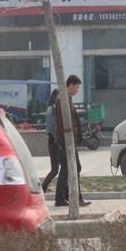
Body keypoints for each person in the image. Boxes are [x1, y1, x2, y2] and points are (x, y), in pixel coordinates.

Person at [54, 75, 90, 207]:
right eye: (77, 87)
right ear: (71, 85)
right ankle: (75, 197)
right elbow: (63, 123)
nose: (77, 90)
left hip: (68, 140)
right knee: (74, 168)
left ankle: (62, 198)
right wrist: (66, 141)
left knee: (66, 169)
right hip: (66, 141)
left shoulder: (65, 99)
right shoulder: (62, 100)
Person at [41, 88, 60, 196]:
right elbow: (50, 128)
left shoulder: (54, 108)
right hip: (53, 141)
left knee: (62, 170)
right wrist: (56, 139)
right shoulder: (51, 109)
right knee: (55, 170)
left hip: (56, 141)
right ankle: (43, 188)